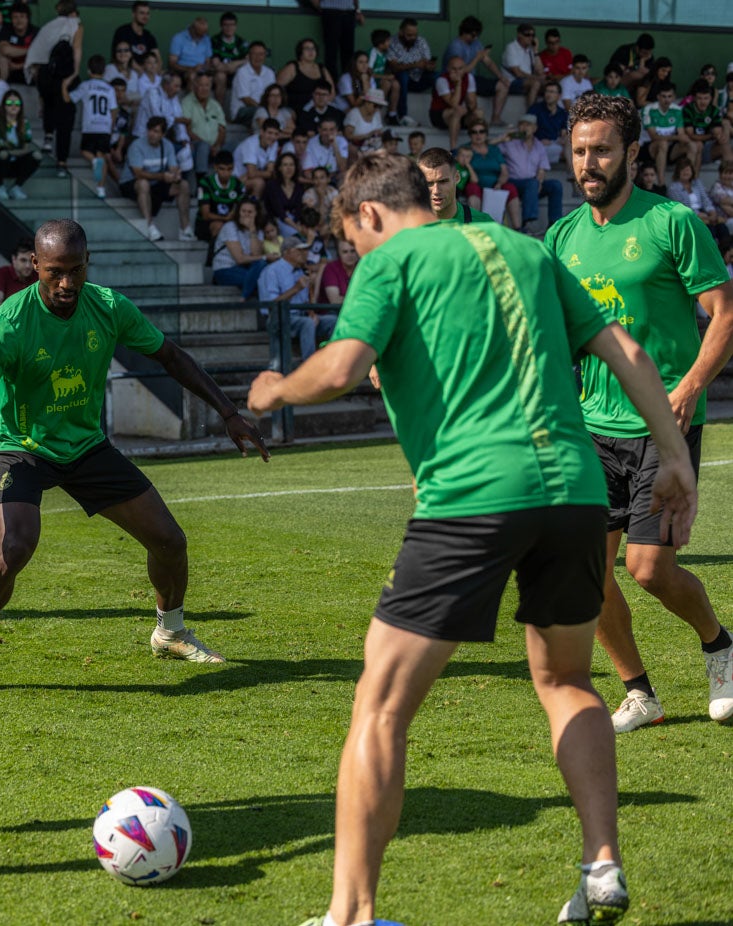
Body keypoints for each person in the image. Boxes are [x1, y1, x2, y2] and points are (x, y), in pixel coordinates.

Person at [254, 151, 697, 926]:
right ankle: (601, 864)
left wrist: (274, 389)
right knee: (566, 682)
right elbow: (624, 350)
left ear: (368, 215)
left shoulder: (390, 260)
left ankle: (349, 915)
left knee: (380, 706)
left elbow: (339, 368)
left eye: (355, 240)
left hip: (470, 498)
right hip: (572, 492)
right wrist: (677, 460)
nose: (359, 254)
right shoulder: (524, 248)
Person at [0, 219, 268, 700]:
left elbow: (171, 357)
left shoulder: (108, 306)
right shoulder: (9, 322)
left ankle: (170, 632)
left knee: (170, 541)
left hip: (85, 446)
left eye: (75, 270)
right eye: (55, 272)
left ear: (87, 261)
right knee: (15, 547)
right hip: (23, 447)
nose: (67, 283)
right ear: (35, 265)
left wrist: (228, 412)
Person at [547, 94, 733, 733]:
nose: (588, 163)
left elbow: (725, 314)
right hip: (591, 427)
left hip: (664, 422)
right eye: (579, 151)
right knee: (585, 570)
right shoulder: (560, 239)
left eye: (600, 149)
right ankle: (640, 694)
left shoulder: (674, 223)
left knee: (649, 567)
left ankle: (720, 647)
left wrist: (687, 388)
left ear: (632, 152)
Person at [256, 236, 331, 367]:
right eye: (299, 251)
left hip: (301, 316)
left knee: (334, 321)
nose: (304, 254)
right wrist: (296, 288)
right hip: (279, 318)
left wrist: (311, 312)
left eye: (305, 251)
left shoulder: (300, 270)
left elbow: (305, 301)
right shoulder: (272, 271)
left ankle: (336, 366)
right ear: (287, 252)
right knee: (307, 324)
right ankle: (310, 368)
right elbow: (272, 305)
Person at [27, 0, 83, 169]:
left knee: (49, 107)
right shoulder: (76, 25)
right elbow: (77, 50)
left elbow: (37, 52)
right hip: (63, 77)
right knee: (65, 119)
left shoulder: (48, 27)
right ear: (74, 13)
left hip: (45, 76)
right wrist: (74, 74)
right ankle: (62, 160)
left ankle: (48, 137)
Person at [120, 117, 193, 242]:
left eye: (156, 131)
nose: (152, 134)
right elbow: (138, 173)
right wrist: (163, 176)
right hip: (131, 183)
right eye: (150, 130)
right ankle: (149, 226)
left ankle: (185, 229)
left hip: (155, 183)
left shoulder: (167, 145)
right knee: (143, 184)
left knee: (183, 185)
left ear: (163, 134)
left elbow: (173, 167)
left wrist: (176, 174)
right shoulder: (136, 146)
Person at [500, 113, 564, 233]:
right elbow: (489, 148)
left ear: (535, 128)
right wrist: (502, 138)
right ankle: (526, 223)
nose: (524, 128)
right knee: (532, 183)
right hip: (514, 182)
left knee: (555, 185)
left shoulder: (539, 145)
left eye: (528, 125)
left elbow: (542, 168)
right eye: (522, 125)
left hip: (532, 184)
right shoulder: (510, 143)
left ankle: (554, 224)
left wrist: (539, 182)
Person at [64, 55, 117, 197]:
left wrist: (64, 86)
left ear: (88, 71)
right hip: (104, 127)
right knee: (102, 156)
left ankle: (93, 161)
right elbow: (113, 110)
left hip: (90, 126)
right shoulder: (109, 88)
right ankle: (101, 189)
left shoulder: (85, 86)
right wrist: (111, 127)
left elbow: (69, 99)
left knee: (85, 151)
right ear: (104, 71)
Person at [0, 89, 43, 199]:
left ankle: (16, 187)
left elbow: (26, 148)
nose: (14, 106)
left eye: (17, 103)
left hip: (14, 162)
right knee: (2, 153)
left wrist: (10, 152)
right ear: (4, 106)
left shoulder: (24, 122)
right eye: (9, 103)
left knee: (37, 155)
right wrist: (0, 145)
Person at [418, 146, 493, 224]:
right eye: (428, 183)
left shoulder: (483, 223)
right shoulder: (407, 225)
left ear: (457, 178)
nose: (436, 191)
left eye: (443, 181)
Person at [385, 18, 436, 127]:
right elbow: (394, 67)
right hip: (401, 82)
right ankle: (403, 116)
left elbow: (427, 62)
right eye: (409, 35)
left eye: (415, 35)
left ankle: (438, 114)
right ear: (401, 32)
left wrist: (429, 66)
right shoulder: (392, 42)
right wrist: (414, 65)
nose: (412, 38)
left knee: (438, 76)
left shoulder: (421, 41)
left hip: (418, 80)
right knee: (403, 75)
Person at [642, 81, 693, 185]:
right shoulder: (649, 110)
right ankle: (661, 183)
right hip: (649, 149)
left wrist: (682, 139)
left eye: (669, 96)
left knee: (692, 145)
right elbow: (654, 137)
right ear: (658, 97)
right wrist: (676, 137)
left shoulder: (677, 110)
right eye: (663, 96)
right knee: (662, 144)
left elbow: (681, 135)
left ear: (674, 97)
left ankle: (689, 181)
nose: (667, 99)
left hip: (670, 149)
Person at [211, 199, 265, 294]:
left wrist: (252, 229)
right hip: (225, 269)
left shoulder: (258, 231)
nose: (246, 215)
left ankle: (246, 296)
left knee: (261, 266)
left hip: (245, 268)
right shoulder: (230, 227)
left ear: (256, 213)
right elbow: (239, 259)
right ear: (238, 212)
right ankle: (245, 298)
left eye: (250, 212)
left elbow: (256, 254)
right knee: (259, 280)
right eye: (243, 211)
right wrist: (266, 256)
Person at [183, 71, 227, 178]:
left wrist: (216, 146)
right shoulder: (186, 102)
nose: (204, 88)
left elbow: (222, 129)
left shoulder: (215, 105)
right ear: (195, 86)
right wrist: (208, 146)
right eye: (201, 85)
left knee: (234, 145)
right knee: (203, 147)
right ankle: (201, 181)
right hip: (196, 146)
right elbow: (187, 130)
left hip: (215, 147)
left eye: (207, 85)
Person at [430, 56, 477, 149]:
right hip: (439, 114)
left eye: (460, 69)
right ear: (448, 69)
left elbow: (473, 105)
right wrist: (458, 84)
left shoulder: (469, 77)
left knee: (478, 113)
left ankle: (476, 146)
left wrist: (469, 104)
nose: (457, 72)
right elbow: (454, 104)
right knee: (458, 111)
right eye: (454, 69)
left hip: (459, 112)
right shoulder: (442, 80)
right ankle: (453, 148)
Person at [500, 23, 544, 121]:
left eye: (533, 35)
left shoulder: (530, 49)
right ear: (519, 35)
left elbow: (540, 71)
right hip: (511, 82)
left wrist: (536, 50)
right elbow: (517, 73)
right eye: (527, 35)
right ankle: (530, 114)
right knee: (536, 83)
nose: (530, 38)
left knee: (550, 86)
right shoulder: (511, 47)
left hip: (526, 81)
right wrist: (536, 78)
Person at [195, 150, 243, 241]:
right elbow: (205, 214)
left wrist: (233, 214)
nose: (226, 173)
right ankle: (213, 254)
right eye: (222, 169)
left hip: (230, 221)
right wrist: (225, 218)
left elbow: (241, 205)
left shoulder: (237, 184)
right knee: (219, 225)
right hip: (205, 224)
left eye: (229, 169)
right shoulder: (205, 183)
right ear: (215, 168)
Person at [681, 80, 726, 175]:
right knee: (697, 144)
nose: (703, 102)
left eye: (706, 98)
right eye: (700, 98)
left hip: (707, 148)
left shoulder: (713, 110)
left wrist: (718, 135)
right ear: (694, 98)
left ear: (711, 99)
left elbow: (717, 132)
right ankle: (692, 178)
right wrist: (711, 136)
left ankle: (728, 184)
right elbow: (691, 135)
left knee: (725, 145)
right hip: (688, 148)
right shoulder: (688, 110)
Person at [279, 38, 335, 113]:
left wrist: (321, 105)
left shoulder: (322, 69)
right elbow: (277, 88)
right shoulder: (292, 67)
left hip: (319, 109)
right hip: (295, 109)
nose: (311, 51)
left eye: (313, 48)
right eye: (307, 48)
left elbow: (332, 92)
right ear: (300, 52)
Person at [310, 0, 361, 80]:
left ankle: (351, 86)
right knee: (331, 52)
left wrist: (358, 11)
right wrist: (324, 9)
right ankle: (332, 85)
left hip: (349, 13)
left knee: (348, 52)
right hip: (331, 12)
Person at [208, 12, 250, 105]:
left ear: (236, 26)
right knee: (221, 75)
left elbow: (248, 60)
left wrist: (233, 65)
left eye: (232, 25)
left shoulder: (241, 42)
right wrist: (232, 66)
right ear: (221, 26)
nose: (229, 28)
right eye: (226, 25)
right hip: (220, 74)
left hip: (237, 73)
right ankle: (219, 110)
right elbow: (217, 65)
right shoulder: (215, 40)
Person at [233, 119, 279, 200]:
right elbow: (251, 173)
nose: (273, 137)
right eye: (270, 133)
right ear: (262, 132)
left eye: (276, 134)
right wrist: (268, 173)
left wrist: (268, 173)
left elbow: (270, 170)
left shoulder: (274, 143)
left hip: (249, 176)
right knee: (259, 183)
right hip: (236, 179)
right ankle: (253, 207)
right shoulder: (250, 143)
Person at [232, 42, 274, 127]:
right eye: (254, 54)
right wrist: (265, 110)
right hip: (242, 111)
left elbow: (273, 95)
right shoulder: (242, 72)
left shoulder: (269, 73)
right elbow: (246, 99)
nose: (258, 57)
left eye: (261, 54)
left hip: (263, 109)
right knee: (261, 113)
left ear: (265, 56)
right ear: (249, 56)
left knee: (286, 112)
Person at [529, 80, 570, 166]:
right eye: (547, 91)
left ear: (559, 96)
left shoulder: (563, 113)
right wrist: (539, 140)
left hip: (556, 144)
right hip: (539, 144)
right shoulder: (535, 109)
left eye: (552, 92)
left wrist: (563, 139)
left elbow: (564, 133)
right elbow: (525, 129)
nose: (548, 95)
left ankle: (574, 175)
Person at [0, 2, 37, 87]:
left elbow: (39, 54)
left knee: (38, 62)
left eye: (22, 16)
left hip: (28, 68)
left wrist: (18, 66)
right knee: (2, 57)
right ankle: (1, 90)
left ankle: (40, 93)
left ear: (27, 18)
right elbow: (5, 50)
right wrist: (30, 50)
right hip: (10, 68)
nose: (19, 20)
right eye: (15, 17)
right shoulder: (6, 29)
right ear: (11, 19)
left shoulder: (35, 31)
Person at [0, 237, 37, 307]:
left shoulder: (38, 274)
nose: (28, 266)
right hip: (8, 317)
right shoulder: (1, 273)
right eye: (23, 260)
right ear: (14, 259)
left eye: (31, 261)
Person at [111, 0, 159, 68]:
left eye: (147, 13)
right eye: (142, 13)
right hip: (126, 72)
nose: (145, 16)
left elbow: (158, 59)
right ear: (133, 14)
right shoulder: (123, 32)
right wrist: (141, 74)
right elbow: (125, 57)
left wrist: (155, 75)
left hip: (145, 74)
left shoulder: (149, 36)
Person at [167, 16, 212, 85]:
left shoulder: (206, 39)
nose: (202, 37)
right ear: (193, 29)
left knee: (219, 77)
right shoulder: (179, 38)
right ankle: (192, 96)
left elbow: (208, 61)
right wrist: (191, 69)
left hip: (202, 72)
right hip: (184, 71)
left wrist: (206, 67)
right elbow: (172, 63)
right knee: (192, 76)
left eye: (205, 33)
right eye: (200, 34)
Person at [316, 235, 356, 304]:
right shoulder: (331, 268)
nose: (350, 255)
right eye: (345, 252)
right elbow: (335, 300)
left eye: (352, 251)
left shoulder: (362, 267)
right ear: (339, 254)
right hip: (330, 312)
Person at [344, 87, 386, 152]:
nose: (377, 109)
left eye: (380, 107)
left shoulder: (377, 114)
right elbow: (348, 136)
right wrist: (367, 136)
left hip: (373, 148)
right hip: (356, 149)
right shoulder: (354, 114)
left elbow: (379, 131)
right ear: (367, 103)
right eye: (375, 105)